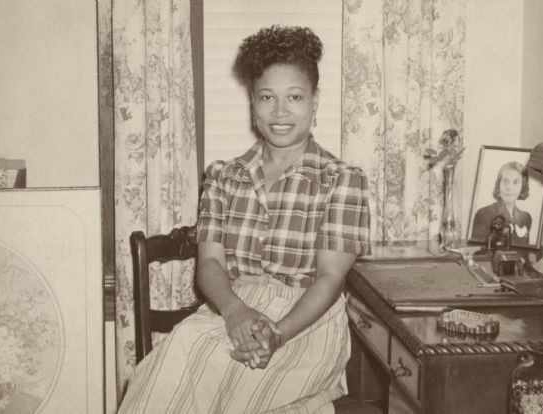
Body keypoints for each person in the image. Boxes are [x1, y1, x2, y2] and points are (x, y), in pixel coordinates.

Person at [118, 25, 370, 414]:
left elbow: (330, 279)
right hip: (230, 309)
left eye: (295, 97)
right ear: (252, 103)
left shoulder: (341, 179)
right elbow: (210, 265)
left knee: (213, 367)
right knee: (171, 360)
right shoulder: (223, 176)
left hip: (304, 322)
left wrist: (278, 333)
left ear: (315, 102)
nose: (280, 111)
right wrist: (235, 312)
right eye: (267, 97)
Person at [471, 161, 532, 246]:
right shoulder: (483, 214)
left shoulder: (526, 218)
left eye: (516, 182)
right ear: (499, 184)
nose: (509, 187)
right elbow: (477, 252)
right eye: (505, 181)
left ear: (522, 186)